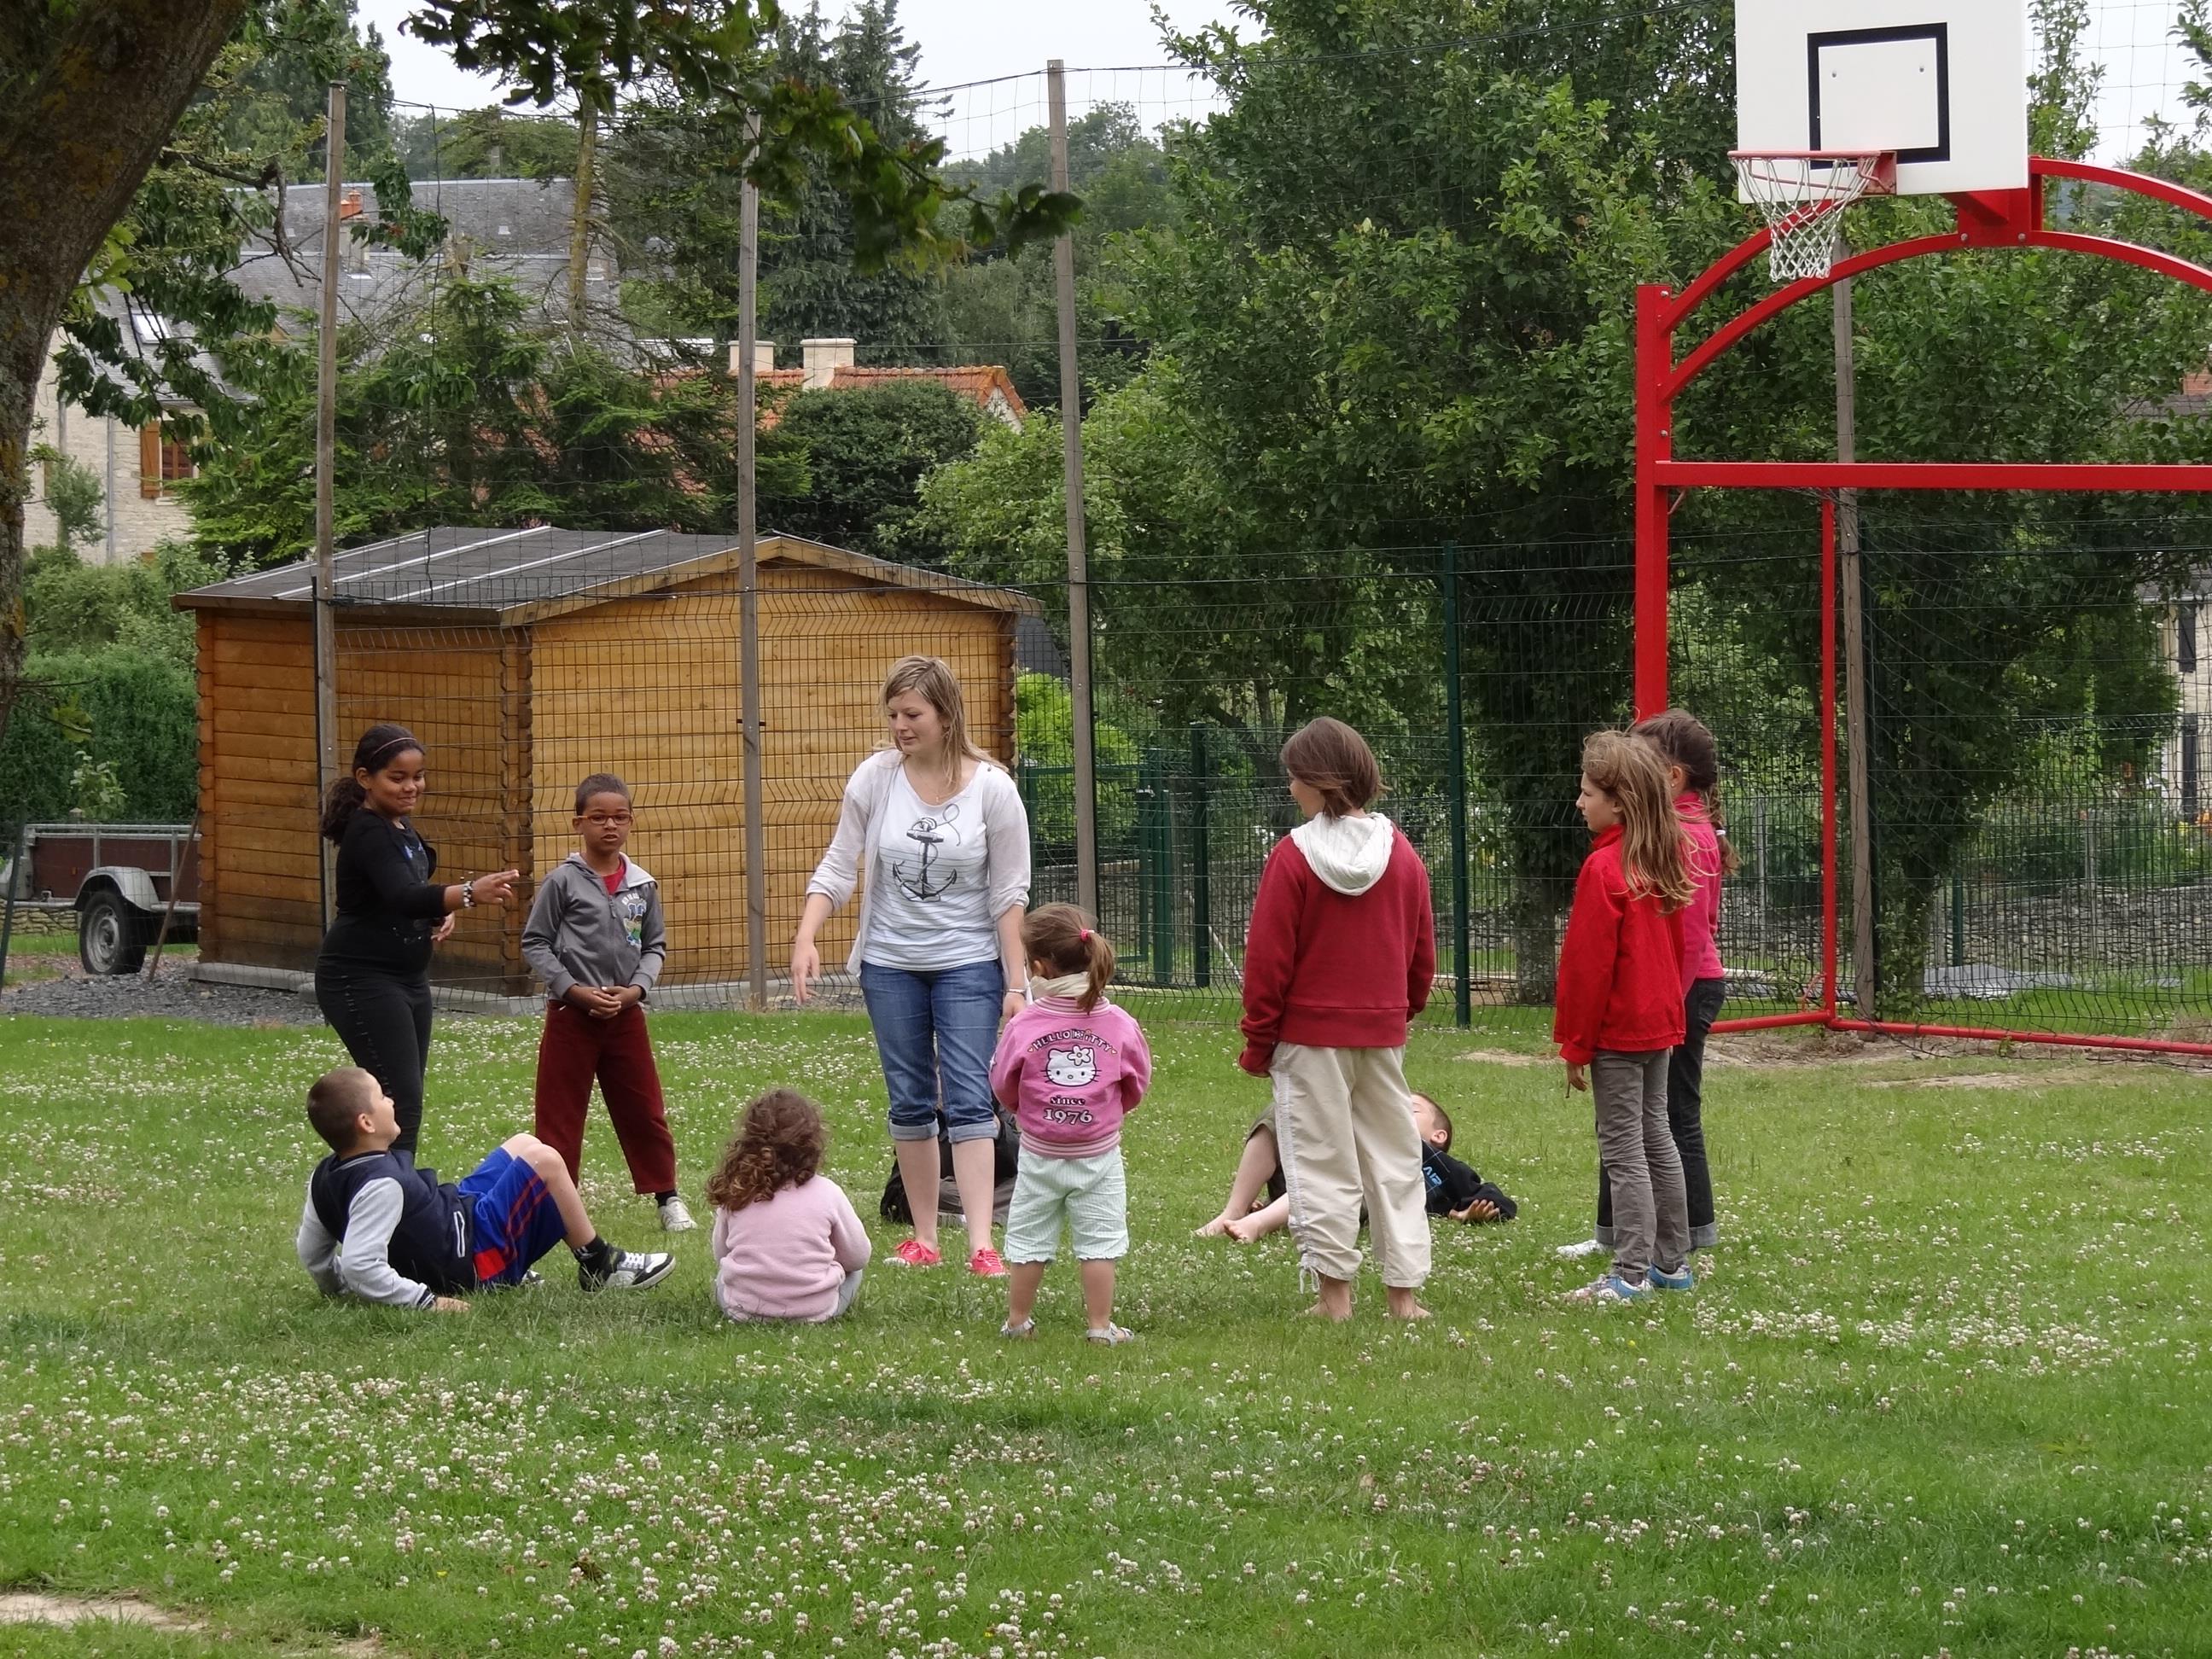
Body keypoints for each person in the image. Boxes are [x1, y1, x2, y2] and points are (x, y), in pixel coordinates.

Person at [789, 656, 1033, 1278]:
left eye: (913, 714)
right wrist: (807, 935)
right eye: (893, 714)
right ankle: (924, 1236)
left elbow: (1010, 894)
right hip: (890, 964)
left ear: (946, 716)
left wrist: (1016, 984)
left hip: (968, 964)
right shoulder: (875, 779)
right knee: (910, 1100)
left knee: (973, 1097)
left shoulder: (994, 789)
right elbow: (839, 866)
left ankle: (982, 1242)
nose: (900, 725)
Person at [1238, 717, 1436, 1322]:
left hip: (1307, 1038)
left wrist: (1259, 1040)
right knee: (1396, 1158)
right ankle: (1403, 1296)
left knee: (1321, 1161)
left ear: (1320, 781)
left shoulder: (1293, 857)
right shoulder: (1401, 854)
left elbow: (1268, 959)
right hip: (1380, 1032)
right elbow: (1422, 951)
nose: (1291, 787)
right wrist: (1399, 1011)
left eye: (1296, 776)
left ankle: (1335, 1298)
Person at [1560, 710, 1732, 1262]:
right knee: (1657, 1137)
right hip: (1659, 1027)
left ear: (1620, 802)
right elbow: (1677, 946)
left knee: (1625, 1148)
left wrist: (1576, 1046)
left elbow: (1589, 970)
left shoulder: (1605, 870)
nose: (1580, 804)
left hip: (1622, 1032)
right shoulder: (1659, 858)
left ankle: (1629, 1271)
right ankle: (1672, 1263)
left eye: (1587, 793)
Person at [294, 1066, 674, 1308]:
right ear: (366, 1122)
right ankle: (599, 1264)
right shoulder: (381, 1185)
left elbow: (312, 1251)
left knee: (523, 1144)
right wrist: (425, 1301)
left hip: (459, 1219)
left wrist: (334, 1288)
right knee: (546, 1163)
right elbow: (362, 1265)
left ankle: (573, 1264)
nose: (391, 1100)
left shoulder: (325, 1174)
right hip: (473, 1260)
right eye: (382, 1096)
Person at [316, 725, 520, 1157]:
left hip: (407, 979)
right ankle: (386, 1198)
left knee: (401, 1102)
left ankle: (388, 1193)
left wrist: (438, 908)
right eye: (398, 777)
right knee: (397, 1102)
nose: (412, 786)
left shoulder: (399, 825)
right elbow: (401, 895)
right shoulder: (368, 830)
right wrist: (466, 894)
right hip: (360, 977)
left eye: (418, 776)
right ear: (365, 778)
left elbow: (402, 892)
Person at [521, 772, 690, 1231]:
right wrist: (572, 990)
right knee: (559, 1114)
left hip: (625, 1016)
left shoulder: (643, 885)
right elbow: (535, 943)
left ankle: (667, 1198)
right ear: (579, 823)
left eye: (619, 818)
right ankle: (556, 1205)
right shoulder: (562, 883)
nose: (609, 826)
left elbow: (655, 945)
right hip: (571, 1016)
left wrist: (635, 990)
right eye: (598, 818)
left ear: (631, 822)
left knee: (644, 1110)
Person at [991, 905, 1150, 1345]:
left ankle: (1018, 1321)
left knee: (1027, 1238)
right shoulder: (1119, 1023)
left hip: (1039, 1153)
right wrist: (1106, 1115)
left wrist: (1026, 1112)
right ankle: (1100, 1328)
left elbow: (1003, 1081)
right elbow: (1136, 1081)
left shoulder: (1025, 1023)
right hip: (1099, 1155)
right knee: (1099, 1241)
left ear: (1039, 967)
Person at [1196, 1091, 1515, 1243]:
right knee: (1280, 1110)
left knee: (1357, 1174)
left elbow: (1496, 1198)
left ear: (1438, 1136)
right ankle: (1235, 1211)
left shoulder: (1438, 1164)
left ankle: (1260, 1223)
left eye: (1411, 1109)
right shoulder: (1364, 1129)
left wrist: (1467, 1213)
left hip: (1354, 1194)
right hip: (1308, 1177)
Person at [706, 1090, 872, 1324]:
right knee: (854, 1273)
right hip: (815, 1310)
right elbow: (858, 1257)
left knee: (724, 1274)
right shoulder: (828, 1192)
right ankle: (807, 1301)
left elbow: (721, 1253)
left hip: (743, 1310)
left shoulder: (739, 1190)